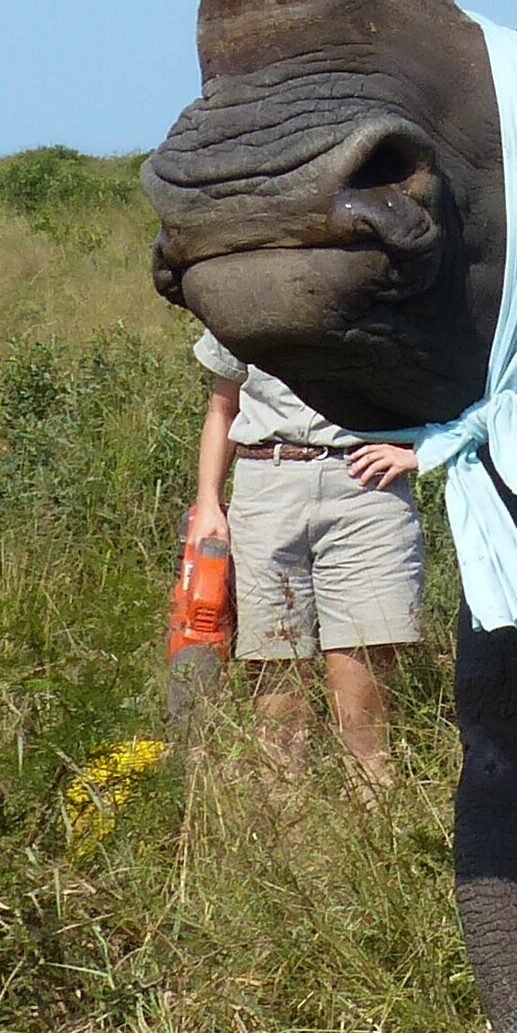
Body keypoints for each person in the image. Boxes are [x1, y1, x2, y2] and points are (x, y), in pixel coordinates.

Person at [187, 329, 422, 788]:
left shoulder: (391, 284)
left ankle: (376, 824)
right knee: (274, 674)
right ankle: (288, 831)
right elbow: (222, 408)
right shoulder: (245, 290)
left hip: (367, 490)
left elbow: (464, 383)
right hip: (266, 484)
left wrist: (420, 449)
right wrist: (208, 504)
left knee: (365, 695)